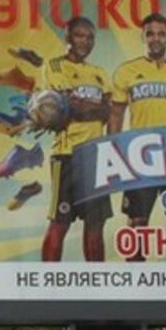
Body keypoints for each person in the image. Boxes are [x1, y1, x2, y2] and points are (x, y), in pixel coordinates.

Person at [109, 12, 166, 260]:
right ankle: (137, 290)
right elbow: (116, 115)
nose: (156, 39)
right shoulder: (127, 71)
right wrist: (113, 153)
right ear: (143, 37)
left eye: (161, 33)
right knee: (137, 224)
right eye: (150, 34)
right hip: (141, 158)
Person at [36, 16, 112, 262]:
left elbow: (108, 111)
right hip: (67, 154)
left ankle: (97, 286)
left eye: (90, 37)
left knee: (95, 224)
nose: (85, 41)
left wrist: (89, 108)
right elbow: (67, 107)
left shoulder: (100, 73)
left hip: (96, 156)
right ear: (67, 37)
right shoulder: (55, 66)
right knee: (60, 222)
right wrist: (94, 108)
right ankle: (49, 285)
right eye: (80, 35)